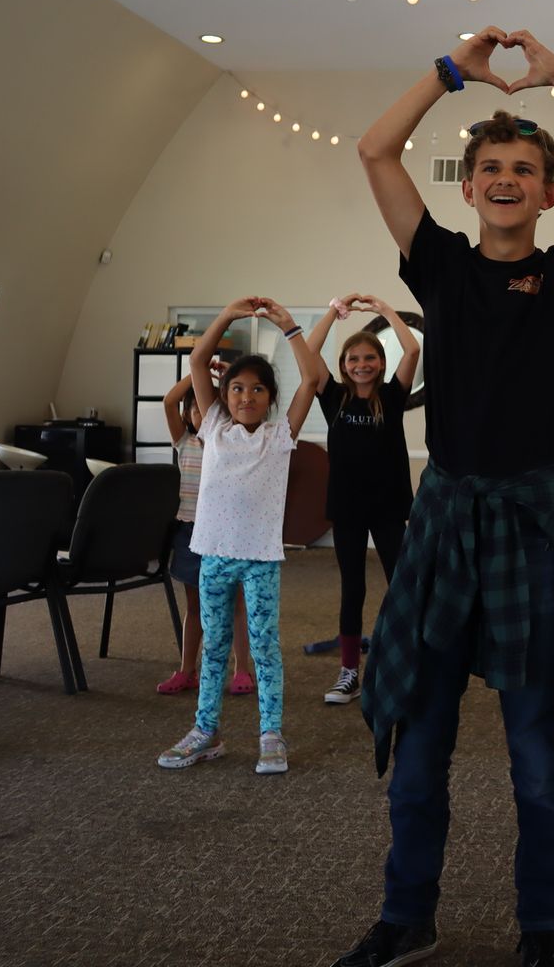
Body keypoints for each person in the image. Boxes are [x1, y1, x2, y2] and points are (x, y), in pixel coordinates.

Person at [339, 28, 554, 967]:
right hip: (444, 517)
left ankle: (542, 930)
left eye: (524, 168)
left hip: (528, 519)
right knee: (420, 748)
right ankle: (407, 914)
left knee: (533, 758)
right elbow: (375, 150)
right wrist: (448, 76)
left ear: (550, 192)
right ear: (467, 186)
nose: (506, 179)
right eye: (490, 167)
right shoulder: (434, 262)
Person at [157, 297, 321, 776]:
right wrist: (226, 316)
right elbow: (194, 361)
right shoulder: (212, 428)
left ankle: (271, 733)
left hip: (260, 559)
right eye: (236, 389)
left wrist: (288, 326)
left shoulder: (280, 436)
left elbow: (311, 379)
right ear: (223, 396)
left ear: (270, 397)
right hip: (213, 557)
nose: (246, 397)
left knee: (264, 646)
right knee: (214, 645)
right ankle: (205, 732)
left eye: (256, 390)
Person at [303, 293, 421, 705]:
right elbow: (309, 349)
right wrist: (332, 313)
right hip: (348, 507)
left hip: (389, 505)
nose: (362, 364)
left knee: (400, 586)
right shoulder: (331, 396)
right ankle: (349, 673)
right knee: (352, 587)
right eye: (353, 359)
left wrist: (385, 312)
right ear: (343, 366)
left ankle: (405, 664)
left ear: (381, 363)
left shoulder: (392, 396)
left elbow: (413, 348)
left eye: (369, 357)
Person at [156, 362, 255, 699]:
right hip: (189, 534)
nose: (203, 414)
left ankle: (242, 669)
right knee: (195, 607)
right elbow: (169, 401)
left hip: (226, 533)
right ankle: (187, 670)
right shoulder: (183, 442)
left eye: (211, 408)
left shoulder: (229, 443)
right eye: (197, 408)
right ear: (188, 415)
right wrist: (204, 377)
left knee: (237, 604)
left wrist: (226, 382)